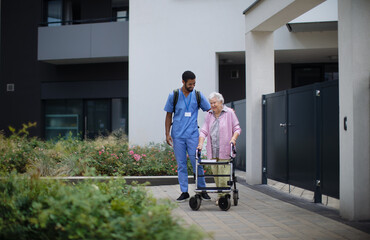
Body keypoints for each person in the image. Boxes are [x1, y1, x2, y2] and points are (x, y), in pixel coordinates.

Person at [164, 70, 211, 202]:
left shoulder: (197, 95)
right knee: (181, 165)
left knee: (197, 162)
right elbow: (168, 115)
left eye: (194, 83)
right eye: (190, 84)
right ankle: (184, 191)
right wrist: (167, 134)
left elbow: (209, 110)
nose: (192, 86)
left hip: (193, 135)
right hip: (177, 136)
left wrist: (223, 112)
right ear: (183, 82)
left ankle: (202, 190)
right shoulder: (173, 95)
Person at [197, 92, 241, 204]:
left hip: (225, 150)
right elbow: (203, 131)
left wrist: (233, 139)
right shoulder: (209, 115)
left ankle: (223, 196)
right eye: (211, 103)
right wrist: (200, 144)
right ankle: (221, 194)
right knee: (216, 174)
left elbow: (237, 128)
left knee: (224, 175)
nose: (212, 105)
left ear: (221, 102)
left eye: (214, 102)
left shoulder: (229, 113)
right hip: (213, 151)